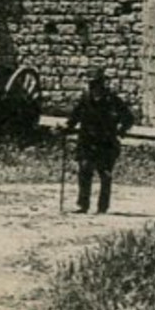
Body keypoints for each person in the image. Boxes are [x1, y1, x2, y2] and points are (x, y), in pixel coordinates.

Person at [63, 71, 134, 213]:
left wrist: (121, 130)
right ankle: (83, 205)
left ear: (102, 86)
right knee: (84, 170)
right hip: (86, 141)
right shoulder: (85, 100)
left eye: (96, 85)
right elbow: (74, 117)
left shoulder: (112, 100)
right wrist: (66, 128)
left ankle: (103, 206)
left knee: (105, 174)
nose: (94, 88)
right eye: (91, 85)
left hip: (106, 142)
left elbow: (128, 118)